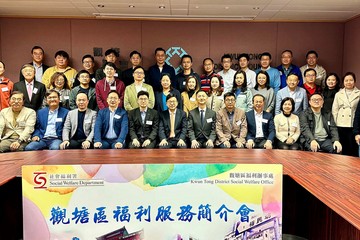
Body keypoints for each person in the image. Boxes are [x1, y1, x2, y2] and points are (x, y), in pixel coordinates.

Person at [332, 72, 360, 156]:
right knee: (342, 148)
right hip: (341, 123)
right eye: (346, 80)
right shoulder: (338, 94)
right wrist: (335, 124)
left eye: (351, 80)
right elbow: (335, 110)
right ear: (343, 82)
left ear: (355, 81)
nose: (348, 82)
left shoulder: (359, 93)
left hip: (353, 124)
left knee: (353, 148)